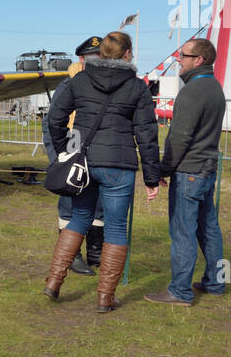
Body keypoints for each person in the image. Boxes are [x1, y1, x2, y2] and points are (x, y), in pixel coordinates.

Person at [45, 31, 161, 312]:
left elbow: (55, 117)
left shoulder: (81, 80)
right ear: (127, 53)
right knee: (116, 228)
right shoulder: (137, 87)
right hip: (118, 165)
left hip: (83, 162)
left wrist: (65, 151)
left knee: (79, 219)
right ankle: (104, 297)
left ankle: (53, 283)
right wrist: (152, 177)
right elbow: (147, 134)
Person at [145, 38, 226, 306]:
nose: (178, 59)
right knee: (209, 227)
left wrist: (163, 169)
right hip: (206, 168)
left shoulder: (192, 91)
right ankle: (216, 282)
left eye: (183, 55)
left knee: (183, 231)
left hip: (190, 171)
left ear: (199, 59)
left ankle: (180, 291)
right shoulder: (214, 87)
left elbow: (179, 137)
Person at [43, 36, 106, 275]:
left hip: (94, 145)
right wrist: (60, 155)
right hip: (71, 142)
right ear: (82, 58)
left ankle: (95, 250)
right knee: (70, 196)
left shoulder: (103, 82)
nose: (96, 60)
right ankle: (72, 254)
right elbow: (53, 122)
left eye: (101, 56)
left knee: (97, 198)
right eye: (92, 56)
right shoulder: (70, 83)